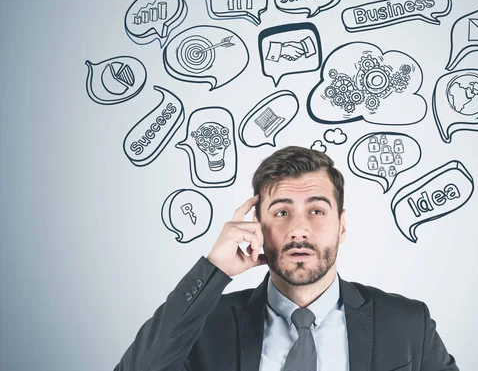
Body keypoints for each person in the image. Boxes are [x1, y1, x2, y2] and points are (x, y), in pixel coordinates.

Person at [114, 146, 459, 371]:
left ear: (341, 226)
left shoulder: (408, 323)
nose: (299, 229)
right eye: (281, 212)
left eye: (317, 210)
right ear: (256, 225)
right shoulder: (206, 326)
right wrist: (214, 270)